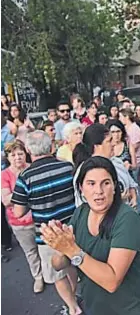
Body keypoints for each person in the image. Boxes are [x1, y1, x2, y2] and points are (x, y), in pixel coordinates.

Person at [42, 156, 140, 315]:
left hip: (130, 308)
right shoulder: (81, 212)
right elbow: (59, 264)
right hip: (95, 307)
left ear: (115, 187)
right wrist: (59, 245)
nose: (99, 191)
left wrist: (73, 251)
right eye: (91, 184)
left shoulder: (127, 218)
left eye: (106, 183)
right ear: (81, 188)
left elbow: (112, 281)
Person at [11, 130, 81, 315]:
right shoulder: (67, 167)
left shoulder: (26, 176)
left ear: (28, 150)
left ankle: (73, 307)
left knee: (57, 274)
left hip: (48, 235)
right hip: (73, 229)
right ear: (51, 146)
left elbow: (18, 212)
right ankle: (77, 294)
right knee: (73, 263)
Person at [1, 140, 44, 293]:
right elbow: (5, 200)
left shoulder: (32, 168)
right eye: (13, 155)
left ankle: (51, 273)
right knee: (31, 251)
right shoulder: (4, 175)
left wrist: (19, 194)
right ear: (8, 157)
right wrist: (27, 191)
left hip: (39, 216)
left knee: (46, 247)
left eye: (20, 153)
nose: (17, 157)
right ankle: (38, 277)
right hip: (19, 222)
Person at [72, 124, 139, 212]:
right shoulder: (85, 171)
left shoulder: (117, 162)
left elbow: (131, 184)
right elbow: (86, 205)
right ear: (96, 146)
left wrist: (133, 196)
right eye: (109, 141)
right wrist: (116, 199)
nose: (114, 144)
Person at [119, 108, 140, 183]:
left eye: (121, 117)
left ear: (126, 117)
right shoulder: (127, 128)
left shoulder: (134, 128)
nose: (120, 119)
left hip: (135, 160)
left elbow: (136, 144)